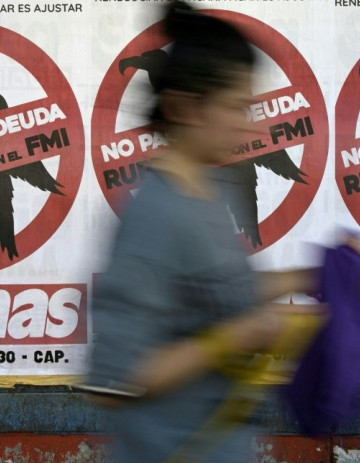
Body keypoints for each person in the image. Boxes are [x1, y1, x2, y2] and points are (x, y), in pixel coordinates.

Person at [85, 3, 322, 462]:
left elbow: (218, 290)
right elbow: (114, 381)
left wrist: (311, 277)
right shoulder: (154, 217)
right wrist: (234, 339)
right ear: (183, 108)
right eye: (237, 107)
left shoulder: (210, 189)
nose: (251, 124)